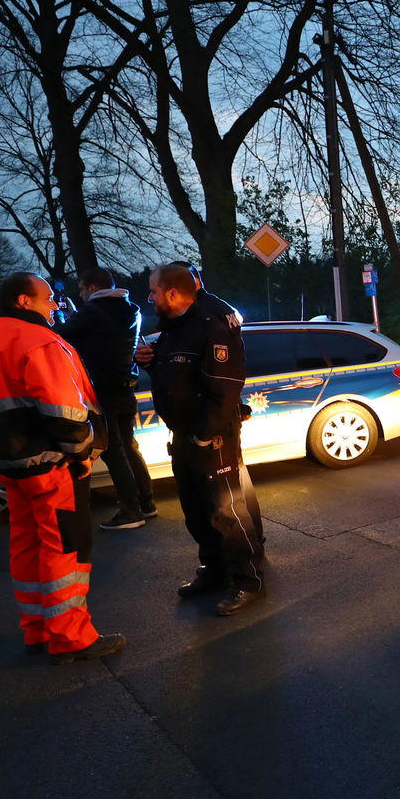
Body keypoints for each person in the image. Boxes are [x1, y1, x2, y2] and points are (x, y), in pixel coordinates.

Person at [0, 272, 126, 663]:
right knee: (64, 547)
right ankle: (70, 637)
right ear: (23, 301)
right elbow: (65, 412)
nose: (55, 304)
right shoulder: (39, 341)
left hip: (7, 464)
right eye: (48, 297)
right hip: (49, 465)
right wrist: (82, 453)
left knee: (26, 543)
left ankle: (36, 629)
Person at [136, 262, 267, 616]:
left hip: (211, 438)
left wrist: (204, 436)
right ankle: (214, 571)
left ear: (173, 293)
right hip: (183, 434)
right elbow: (179, 377)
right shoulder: (174, 328)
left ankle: (249, 580)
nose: (149, 297)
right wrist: (149, 361)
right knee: (195, 510)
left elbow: (224, 390)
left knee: (227, 511)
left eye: (153, 291)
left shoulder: (209, 327)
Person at [56, 266, 158, 530]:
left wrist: (60, 316)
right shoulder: (130, 309)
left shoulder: (91, 312)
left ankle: (130, 511)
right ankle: (147, 502)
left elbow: (61, 337)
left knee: (113, 450)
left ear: (92, 288)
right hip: (126, 385)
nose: (80, 295)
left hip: (103, 390)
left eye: (81, 290)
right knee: (129, 445)